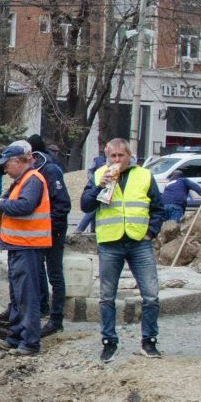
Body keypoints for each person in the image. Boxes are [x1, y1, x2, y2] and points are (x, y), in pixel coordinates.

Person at [76, 137, 167, 363]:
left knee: (151, 295)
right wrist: (100, 185)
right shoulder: (99, 174)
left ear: (129, 156)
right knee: (107, 297)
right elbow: (85, 205)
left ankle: (149, 341)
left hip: (139, 241)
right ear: (108, 157)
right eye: (112, 156)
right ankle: (109, 342)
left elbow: (158, 208)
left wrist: (151, 232)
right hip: (110, 242)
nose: (116, 160)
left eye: (120, 156)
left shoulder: (144, 175)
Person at [0, 140, 50, 355]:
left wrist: (1, 205)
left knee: (27, 296)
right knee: (17, 296)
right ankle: (16, 335)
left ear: (18, 161)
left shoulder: (33, 180)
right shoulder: (19, 182)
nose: (4, 168)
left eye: (7, 164)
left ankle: (29, 342)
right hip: (17, 246)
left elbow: (25, 206)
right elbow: (3, 203)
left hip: (28, 247)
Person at [27, 134, 72, 337]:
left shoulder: (50, 170)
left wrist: (48, 228)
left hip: (54, 230)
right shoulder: (35, 169)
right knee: (38, 271)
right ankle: (43, 306)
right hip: (40, 230)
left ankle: (56, 319)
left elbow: (62, 205)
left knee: (54, 273)